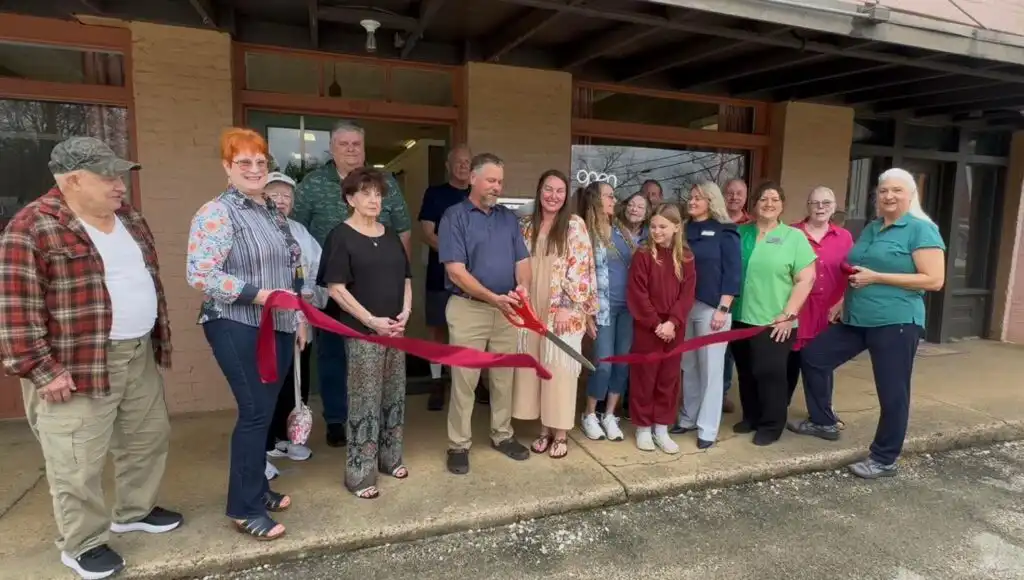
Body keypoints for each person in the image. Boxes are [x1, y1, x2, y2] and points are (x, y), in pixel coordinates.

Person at [0, 137, 181, 579]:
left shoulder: (129, 219)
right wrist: (43, 371)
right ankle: (82, 542)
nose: (120, 185)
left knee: (146, 438)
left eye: (119, 176)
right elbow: (14, 309)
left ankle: (134, 509)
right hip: (75, 364)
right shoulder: (32, 226)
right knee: (75, 459)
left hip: (136, 351)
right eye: (108, 176)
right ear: (72, 180)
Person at [187, 128, 307, 541]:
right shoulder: (216, 213)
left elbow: (292, 264)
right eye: (244, 163)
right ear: (227, 167)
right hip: (235, 323)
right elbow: (201, 275)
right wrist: (261, 295)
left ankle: (257, 488)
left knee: (265, 409)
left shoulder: (271, 210)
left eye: (260, 162)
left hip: (278, 322)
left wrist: (300, 313)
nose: (255, 170)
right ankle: (243, 508)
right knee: (255, 412)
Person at [792, 168, 946, 479]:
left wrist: (878, 278)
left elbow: (934, 279)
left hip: (896, 322)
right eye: (884, 190)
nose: (889, 196)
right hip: (857, 318)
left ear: (910, 195)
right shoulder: (873, 228)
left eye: (896, 191)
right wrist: (842, 301)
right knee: (813, 356)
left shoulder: (921, 230)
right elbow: (856, 268)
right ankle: (823, 421)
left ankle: (884, 458)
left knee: (893, 392)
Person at [292, 120, 412, 449]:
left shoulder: (384, 182)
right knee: (333, 355)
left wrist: (402, 280)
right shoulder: (313, 185)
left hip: (378, 288)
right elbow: (295, 234)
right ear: (331, 148)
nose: (350, 149)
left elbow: (402, 230)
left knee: (378, 356)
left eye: (356, 144)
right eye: (343, 144)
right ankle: (337, 419)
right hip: (331, 288)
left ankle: (376, 421)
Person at [318, 168, 412, 499]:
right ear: (350, 199)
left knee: (394, 394)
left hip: (395, 330)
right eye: (365, 193)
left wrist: (405, 313)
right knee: (365, 400)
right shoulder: (340, 236)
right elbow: (336, 289)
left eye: (377, 194)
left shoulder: (389, 235)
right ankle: (359, 474)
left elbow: (406, 279)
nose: (373, 200)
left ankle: (390, 458)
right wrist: (371, 320)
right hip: (363, 332)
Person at [439, 153, 532, 475]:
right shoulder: (454, 217)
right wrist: (493, 298)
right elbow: (456, 271)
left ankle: (502, 435)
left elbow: (522, 260)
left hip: (506, 310)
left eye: (500, 181)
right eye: (491, 180)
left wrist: (522, 287)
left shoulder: (508, 218)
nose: (497, 186)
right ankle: (458, 444)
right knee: (465, 380)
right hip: (469, 309)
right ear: (473, 180)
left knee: (504, 379)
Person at [513, 170, 598, 459]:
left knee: (559, 369)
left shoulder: (574, 225)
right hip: (532, 305)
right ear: (539, 191)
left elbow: (582, 267)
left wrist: (567, 305)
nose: (553, 196)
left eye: (560, 191)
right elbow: (518, 262)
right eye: (548, 189)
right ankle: (543, 430)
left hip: (563, 310)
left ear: (566, 196)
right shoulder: (526, 225)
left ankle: (560, 433)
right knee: (537, 366)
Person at [729, 182, 816, 446]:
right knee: (745, 371)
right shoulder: (739, 233)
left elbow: (807, 279)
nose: (768, 203)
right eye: (763, 199)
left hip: (775, 320)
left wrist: (789, 315)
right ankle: (752, 416)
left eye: (774, 199)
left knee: (769, 372)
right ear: (753, 204)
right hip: (740, 316)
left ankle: (772, 424)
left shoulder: (794, 237)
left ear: (782, 205)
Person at [263, 172, 327, 477]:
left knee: (298, 379)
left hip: (300, 319)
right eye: (274, 194)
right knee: (267, 382)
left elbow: (316, 269)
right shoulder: (254, 230)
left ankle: (292, 437)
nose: (281, 200)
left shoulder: (300, 231)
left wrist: (311, 296)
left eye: (287, 196)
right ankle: (266, 443)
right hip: (265, 321)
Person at [671, 182, 741, 450]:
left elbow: (733, 273)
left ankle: (708, 428)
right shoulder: (685, 230)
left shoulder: (726, 232)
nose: (692, 201)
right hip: (684, 308)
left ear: (711, 201)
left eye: (698, 197)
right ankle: (688, 418)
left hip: (713, 308)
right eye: (691, 196)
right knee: (689, 366)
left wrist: (723, 308)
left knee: (711, 370)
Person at [627, 203, 696, 454]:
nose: (656, 231)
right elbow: (638, 293)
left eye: (663, 227)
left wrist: (673, 322)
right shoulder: (644, 255)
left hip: (674, 327)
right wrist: (656, 324)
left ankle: (661, 427)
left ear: (677, 227)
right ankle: (643, 427)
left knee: (668, 377)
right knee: (645, 376)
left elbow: (687, 294)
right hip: (649, 327)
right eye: (653, 226)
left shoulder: (686, 257)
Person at [784, 186, 853, 427]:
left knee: (820, 365)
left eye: (826, 203)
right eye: (815, 203)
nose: (821, 207)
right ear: (808, 206)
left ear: (834, 207)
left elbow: (851, 273)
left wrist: (843, 303)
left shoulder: (844, 237)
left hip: (828, 312)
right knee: (788, 364)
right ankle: (777, 412)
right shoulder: (791, 232)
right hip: (797, 309)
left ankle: (823, 414)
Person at [418, 145, 472, 411]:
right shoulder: (435, 194)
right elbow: (427, 232)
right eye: (458, 162)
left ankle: (474, 381)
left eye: (468, 162)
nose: (463, 166)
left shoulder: (478, 195)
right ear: (449, 165)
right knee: (439, 328)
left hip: (474, 278)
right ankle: (437, 382)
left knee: (470, 330)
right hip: (441, 273)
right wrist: (456, 257)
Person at [579, 180, 629, 441]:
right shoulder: (585, 233)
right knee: (604, 365)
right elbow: (581, 276)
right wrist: (587, 313)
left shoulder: (621, 231)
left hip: (627, 309)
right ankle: (589, 414)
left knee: (621, 364)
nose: (613, 200)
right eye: (608, 196)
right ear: (595, 200)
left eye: (613, 196)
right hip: (603, 309)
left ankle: (609, 415)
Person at [721, 177, 750, 414]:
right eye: (730, 193)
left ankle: (723, 392)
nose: (734, 197)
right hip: (716, 296)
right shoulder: (715, 222)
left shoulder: (754, 224)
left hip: (745, 297)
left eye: (739, 193)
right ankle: (714, 394)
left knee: (733, 351)